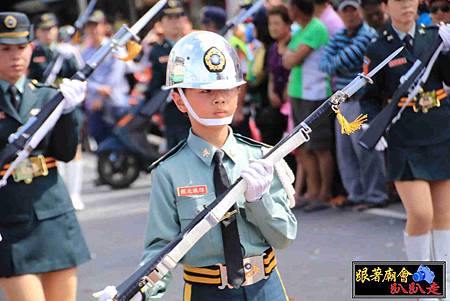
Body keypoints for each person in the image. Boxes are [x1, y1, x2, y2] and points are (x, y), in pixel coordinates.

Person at [94, 30, 297, 301]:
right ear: (179, 100)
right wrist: (138, 292)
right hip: (207, 293)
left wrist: (260, 201)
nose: (219, 98)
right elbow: (161, 250)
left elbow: (284, 236)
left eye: (227, 88)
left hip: (266, 289)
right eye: (205, 91)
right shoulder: (169, 171)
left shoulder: (261, 158)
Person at [361, 0, 450, 297]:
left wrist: (449, 51)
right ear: (387, 5)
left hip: (439, 129)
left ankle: (445, 286)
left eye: (411, 0)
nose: (406, 6)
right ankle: (423, 286)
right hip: (404, 136)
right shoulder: (378, 48)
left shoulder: (433, 37)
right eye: (398, 1)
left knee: (444, 216)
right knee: (421, 214)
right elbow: (369, 98)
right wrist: (370, 124)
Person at [0, 12, 90, 301]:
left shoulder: (45, 96)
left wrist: (68, 113)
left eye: (21, 48)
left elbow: (64, 153)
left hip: (52, 211)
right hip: (8, 217)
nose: (16, 57)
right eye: (5, 49)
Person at [319, 0, 388, 210]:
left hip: (361, 100)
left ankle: (375, 195)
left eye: (353, 10)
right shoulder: (339, 35)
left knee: (365, 150)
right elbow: (325, 64)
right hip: (342, 101)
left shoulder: (367, 34)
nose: (350, 15)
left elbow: (344, 58)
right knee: (346, 152)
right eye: (345, 11)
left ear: (359, 12)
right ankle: (356, 194)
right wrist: (343, 62)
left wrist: (341, 62)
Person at [283, 0, 334, 212]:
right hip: (299, 93)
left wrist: (289, 56)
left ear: (296, 9)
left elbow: (292, 58)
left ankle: (324, 193)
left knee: (320, 147)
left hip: (315, 94)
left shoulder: (316, 28)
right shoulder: (301, 29)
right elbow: (287, 56)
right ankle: (312, 192)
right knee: (304, 148)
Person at [144, 0, 190, 150]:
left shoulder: (191, 46)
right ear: (161, 23)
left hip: (197, 107)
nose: (174, 22)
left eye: (177, 17)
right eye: (169, 18)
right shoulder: (157, 51)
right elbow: (154, 86)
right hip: (173, 110)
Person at [81, 10, 131, 145]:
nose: (93, 30)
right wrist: (98, 92)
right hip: (95, 106)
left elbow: (116, 74)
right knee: (99, 138)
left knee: (122, 141)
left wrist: (101, 95)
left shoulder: (115, 47)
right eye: (89, 27)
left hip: (116, 102)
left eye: (96, 25)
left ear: (104, 26)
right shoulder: (86, 53)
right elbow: (83, 77)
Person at [28, 13, 79, 83]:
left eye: (50, 29)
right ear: (36, 32)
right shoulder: (31, 52)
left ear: (57, 30)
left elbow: (76, 75)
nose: (47, 33)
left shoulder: (66, 51)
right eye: (43, 29)